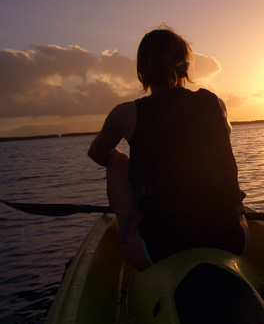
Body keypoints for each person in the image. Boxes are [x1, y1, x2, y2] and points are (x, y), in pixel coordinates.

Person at [88, 27, 248, 271]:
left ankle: (131, 228)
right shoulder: (215, 104)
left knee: (114, 160)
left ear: (142, 72)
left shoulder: (125, 113)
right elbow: (223, 139)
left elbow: (97, 154)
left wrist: (139, 170)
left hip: (160, 250)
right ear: (185, 66)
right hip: (233, 241)